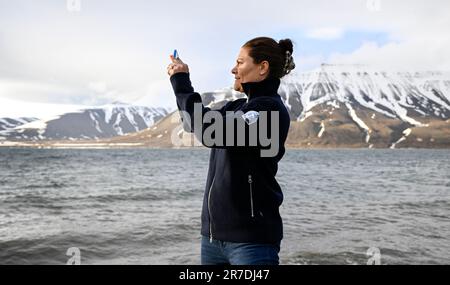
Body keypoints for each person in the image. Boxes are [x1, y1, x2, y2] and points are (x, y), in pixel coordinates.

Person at [167, 37, 295, 265]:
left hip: (251, 242)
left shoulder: (269, 110)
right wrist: (178, 79)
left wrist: (181, 81)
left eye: (240, 62)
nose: (233, 69)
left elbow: (209, 131)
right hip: (212, 239)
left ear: (263, 67)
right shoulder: (237, 107)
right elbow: (192, 122)